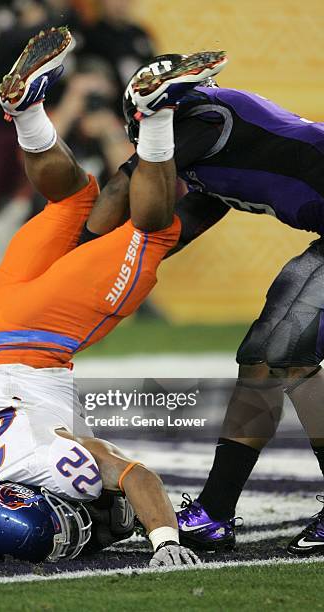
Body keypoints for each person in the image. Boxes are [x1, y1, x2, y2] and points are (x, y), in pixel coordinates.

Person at [0, 28, 225, 566]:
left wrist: (165, 542)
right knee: (73, 200)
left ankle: (156, 115)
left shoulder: (56, 473)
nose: (80, 531)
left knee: (154, 233)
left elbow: (135, 477)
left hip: (36, 337)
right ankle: (29, 114)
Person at [87, 53, 324, 556]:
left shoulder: (206, 117)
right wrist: (98, 281)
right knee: (265, 358)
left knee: (282, 351)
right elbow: (163, 238)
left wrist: (69, 254)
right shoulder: (212, 153)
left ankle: (215, 512)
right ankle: (214, 514)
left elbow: (119, 192)